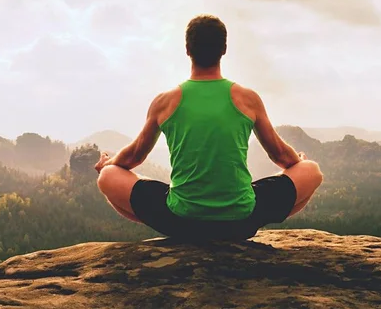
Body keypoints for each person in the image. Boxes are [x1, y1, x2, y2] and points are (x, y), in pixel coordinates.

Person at [95, 14, 323, 241]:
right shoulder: (247, 99)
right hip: (240, 221)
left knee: (107, 176)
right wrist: (299, 162)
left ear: (187, 50)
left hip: (181, 221)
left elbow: (134, 156)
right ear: (223, 49)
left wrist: (109, 163)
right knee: (311, 170)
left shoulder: (165, 102)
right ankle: (238, 231)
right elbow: (280, 155)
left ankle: (182, 233)